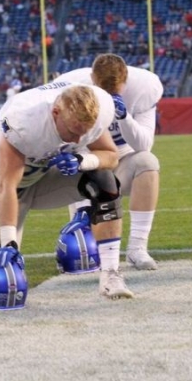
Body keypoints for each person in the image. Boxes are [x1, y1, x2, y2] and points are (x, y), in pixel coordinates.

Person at [0, 82, 134, 299]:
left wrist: (82, 159)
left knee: (104, 181)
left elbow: (111, 156)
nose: (77, 140)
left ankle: (111, 274)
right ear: (55, 113)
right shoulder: (23, 122)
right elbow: (6, 186)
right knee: (1, 282)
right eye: (73, 131)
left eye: (85, 133)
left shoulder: (97, 111)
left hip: (43, 177)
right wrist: (9, 243)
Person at [55, 54, 163, 270]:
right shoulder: (71, 88)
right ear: (92, 79)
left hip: (123, 161)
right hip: (87, 166)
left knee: (148, 162)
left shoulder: (144, 86)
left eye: (114, 91)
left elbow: (144, 145)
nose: (107, 96)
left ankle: (137, 248)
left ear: (126, 81)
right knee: (88, 255)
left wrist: (124, 118)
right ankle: (79, 238)